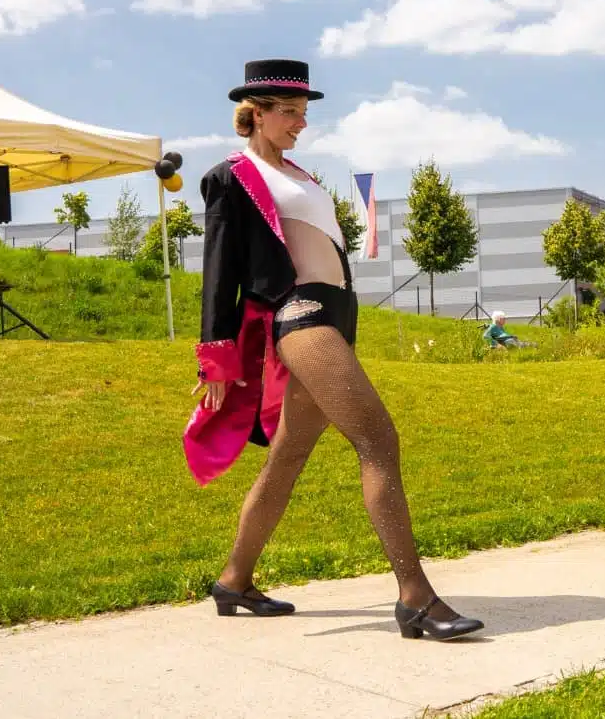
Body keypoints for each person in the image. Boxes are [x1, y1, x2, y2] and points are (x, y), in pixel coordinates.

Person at [183, 59, 483, 642]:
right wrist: (215, 358)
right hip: (300, 315)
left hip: (335, 317)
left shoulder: (296, 174)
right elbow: (218, 270)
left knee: (289, 456)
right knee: (377, 438)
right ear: (256, 114)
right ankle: (416, 598)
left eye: (303, 112)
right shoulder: (232, 176)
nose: (301, 122)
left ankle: (234, 580)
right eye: (289, 112)